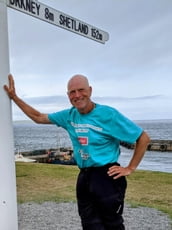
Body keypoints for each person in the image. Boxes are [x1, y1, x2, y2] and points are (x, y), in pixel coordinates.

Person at [4, 74, 150, 230]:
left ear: (90, 90)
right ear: (68, 96)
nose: (77, 95)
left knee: (112, 224)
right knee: (89, 224)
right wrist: (14, 98)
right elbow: (38, 117)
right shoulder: (69, 115)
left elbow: (143, 138)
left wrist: (130, 168)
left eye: (81, 90)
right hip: (84, 176)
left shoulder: (108, 114)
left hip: (107, 177)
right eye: (72, 92)